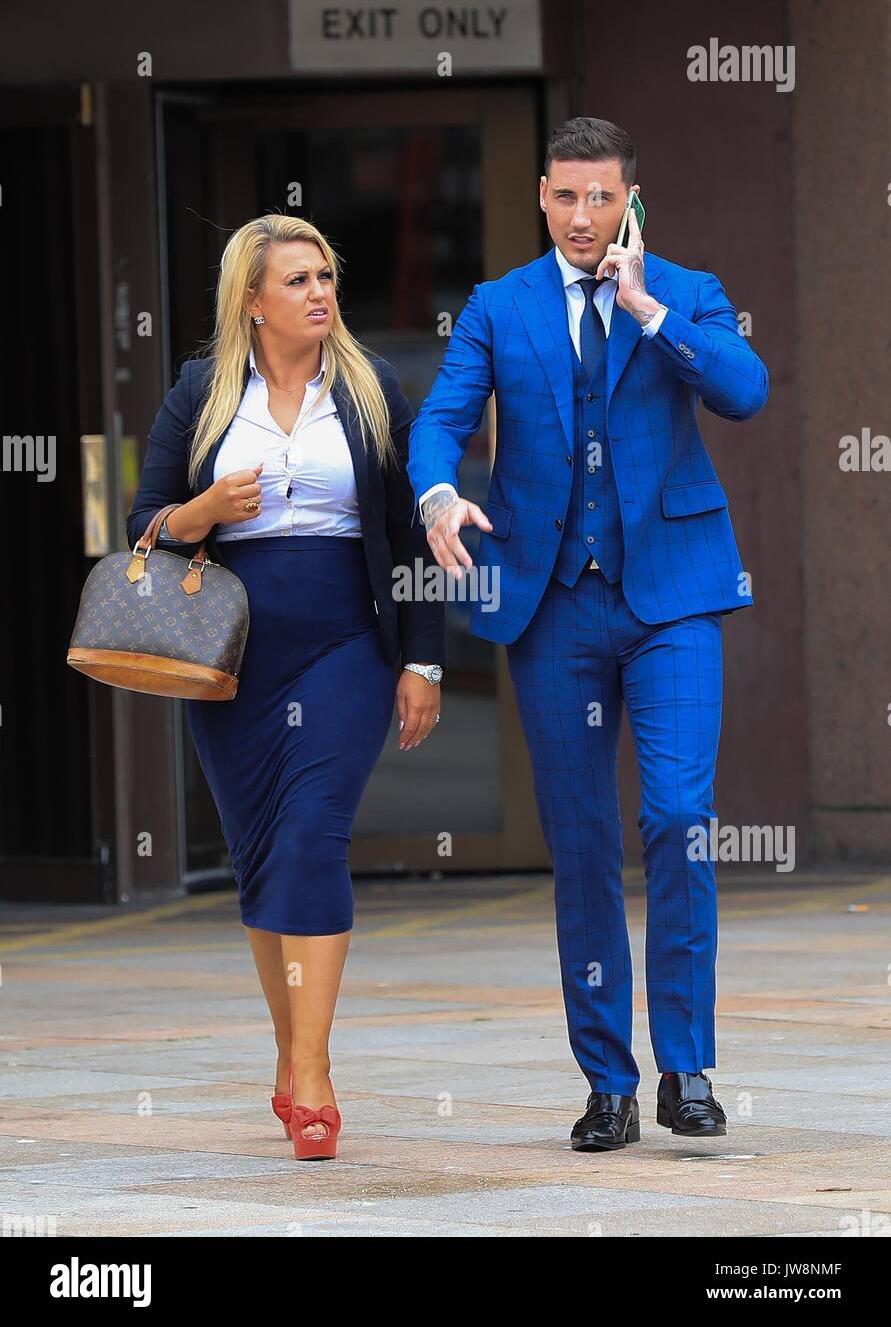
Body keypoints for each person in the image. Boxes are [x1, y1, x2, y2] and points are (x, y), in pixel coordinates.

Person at [408, 117, 768, 1152]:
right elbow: (441, 418)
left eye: (601, 197)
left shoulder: (687, 293)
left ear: (631, 200)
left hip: (674, 597)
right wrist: (437, 491)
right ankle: (607, 1079)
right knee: (580, 846)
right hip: (553, 603)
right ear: (541, 194)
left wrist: (648, 308)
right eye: (565, 197)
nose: (582, 217)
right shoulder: (496, 306)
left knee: (678, 814)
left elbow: (745, 392)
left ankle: (686, 1066)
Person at [127, 214, 445, 1160]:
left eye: (325, 277)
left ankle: (313, 1075)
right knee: (262, 856)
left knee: (313, 837)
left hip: (346, 640)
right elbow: (146, 521)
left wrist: (422, 660)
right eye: (297, 281)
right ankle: (290, 1050)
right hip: (230, 653)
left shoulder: (369, 387)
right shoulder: (202, 392)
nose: (318, 293)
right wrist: (205, 509)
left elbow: (405, 531)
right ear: (253, 302)